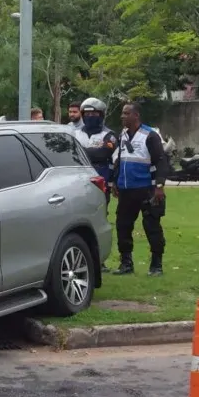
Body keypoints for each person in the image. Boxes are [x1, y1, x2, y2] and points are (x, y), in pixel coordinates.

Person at [109, 102, 167, 277]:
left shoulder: (150, 135)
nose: (122, 116)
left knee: (152, 226)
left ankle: (156, 265)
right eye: (122, 113)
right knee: (123, 225)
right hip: (127, 190)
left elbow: (161, 161)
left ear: (136, 116)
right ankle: (126, 263)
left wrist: (159, 186)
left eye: (126, 113)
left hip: (147, 189)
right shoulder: (123, 135)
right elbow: (120, 159)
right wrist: (115, 182)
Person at [72, 97, 118, 272]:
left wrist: (84, 152)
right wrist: (94, 153)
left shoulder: (109, 135)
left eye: (94, 113)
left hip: (100, 183)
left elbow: (105, 153)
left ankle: (101, 259)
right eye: (87, 113)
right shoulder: (75, 133)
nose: (90, 116)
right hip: (77, 183)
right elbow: (72, 153)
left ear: (101, 115)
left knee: (99, 220)